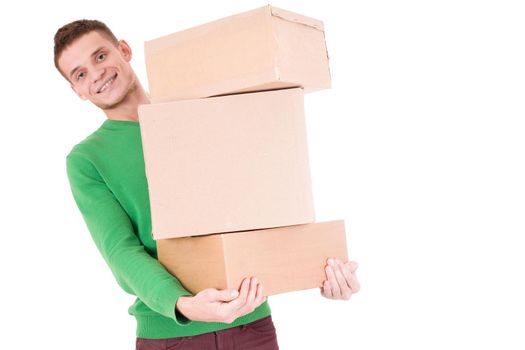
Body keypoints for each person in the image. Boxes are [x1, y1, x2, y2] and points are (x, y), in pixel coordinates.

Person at [55, 19, 360, 350]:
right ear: (77, 91)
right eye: (80, 73)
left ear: (124, 50)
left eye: (100, 56)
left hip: (252, 326)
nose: (96, 73)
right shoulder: (87, 160)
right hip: (172, 336)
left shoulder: (203, 112)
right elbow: (120, 250)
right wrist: (183, 304)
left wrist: (320, 270)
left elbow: (267, 200)